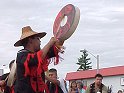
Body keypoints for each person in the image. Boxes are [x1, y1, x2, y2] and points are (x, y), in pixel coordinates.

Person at [14, 26, 64, 93]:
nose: (40, 41)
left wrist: (62, 36)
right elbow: (36, 59)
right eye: (38, 38)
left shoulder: (38, 55)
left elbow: (52, 51)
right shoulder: (22, 54)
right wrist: (49, 43)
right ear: (30, 40)